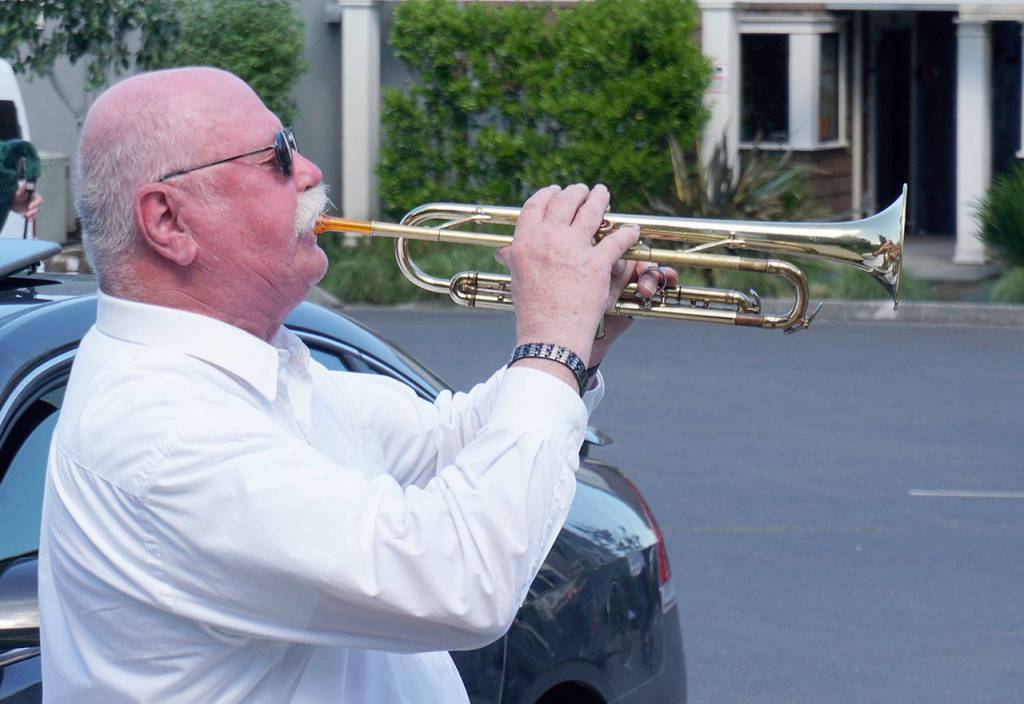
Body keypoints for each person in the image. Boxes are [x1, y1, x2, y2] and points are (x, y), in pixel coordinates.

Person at [38, 67, 676, 703]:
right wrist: (552, 343)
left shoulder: (243, 371)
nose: (311, 171)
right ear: (169, 221)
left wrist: (581, 339)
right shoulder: (164, 434)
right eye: (278, 158)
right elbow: (457, 582)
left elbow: (441, 442)